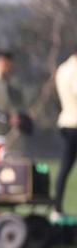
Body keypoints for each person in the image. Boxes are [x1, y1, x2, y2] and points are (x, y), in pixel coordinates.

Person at [54, 48, 77, 221]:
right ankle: (57, 208)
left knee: (65, 168)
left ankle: (57, 207)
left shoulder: (62, 68)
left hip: (65, 122)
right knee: (66, 167)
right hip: (75, 124)